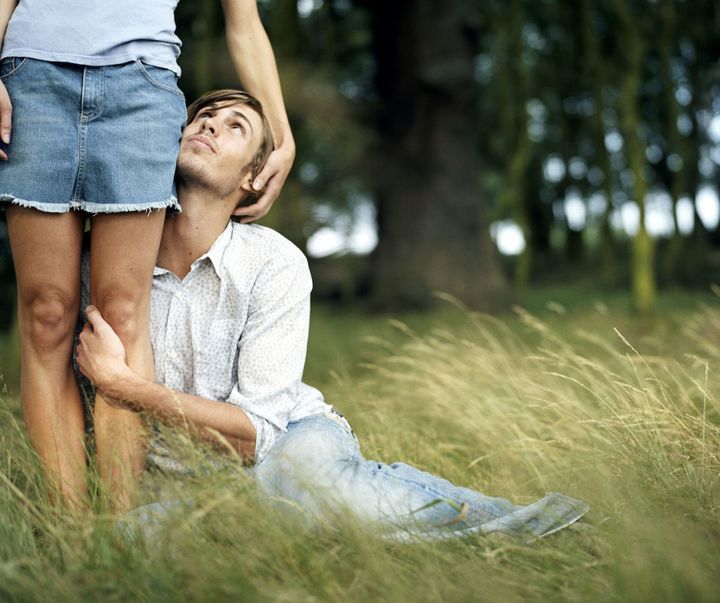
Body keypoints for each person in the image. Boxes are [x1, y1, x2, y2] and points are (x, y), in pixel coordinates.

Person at [76, 89, 588, 539]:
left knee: (307, 490)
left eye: (237, 126)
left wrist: (128, 388)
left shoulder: (274, 263)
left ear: (253, 179)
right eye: (203, 116)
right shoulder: (108, 261)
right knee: (143, 538)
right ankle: (309, 521)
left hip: (288, 440)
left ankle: (528, 524)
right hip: (182, 471)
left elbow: (258, 434)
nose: (210, 123)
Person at [0, 0, 294, 511]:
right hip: (31, 78)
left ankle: (119, 533)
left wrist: (283, 138)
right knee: (47, 314)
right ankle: (73, 541)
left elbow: (243, 19)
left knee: (120, 315)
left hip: (141, 88)